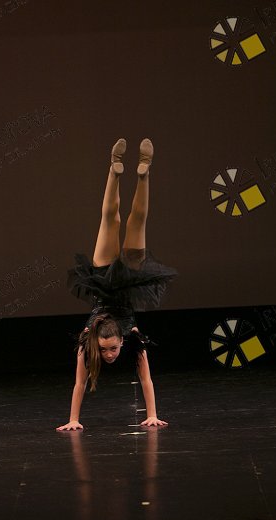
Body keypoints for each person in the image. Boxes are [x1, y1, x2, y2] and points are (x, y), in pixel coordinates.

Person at [57, 138, 176, 431]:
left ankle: (119, 169)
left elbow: (80, 383)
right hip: (127, 280)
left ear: (119, 340)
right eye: (108, 350)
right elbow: (144, 379)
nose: (109, 354)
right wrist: (72, 420)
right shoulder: (132, 337)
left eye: (110, 349)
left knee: (111, 220)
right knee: (134, 221)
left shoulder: (89, 341)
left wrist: (74, 419)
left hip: (102, 276)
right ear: (124, 338)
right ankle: (138, 172)